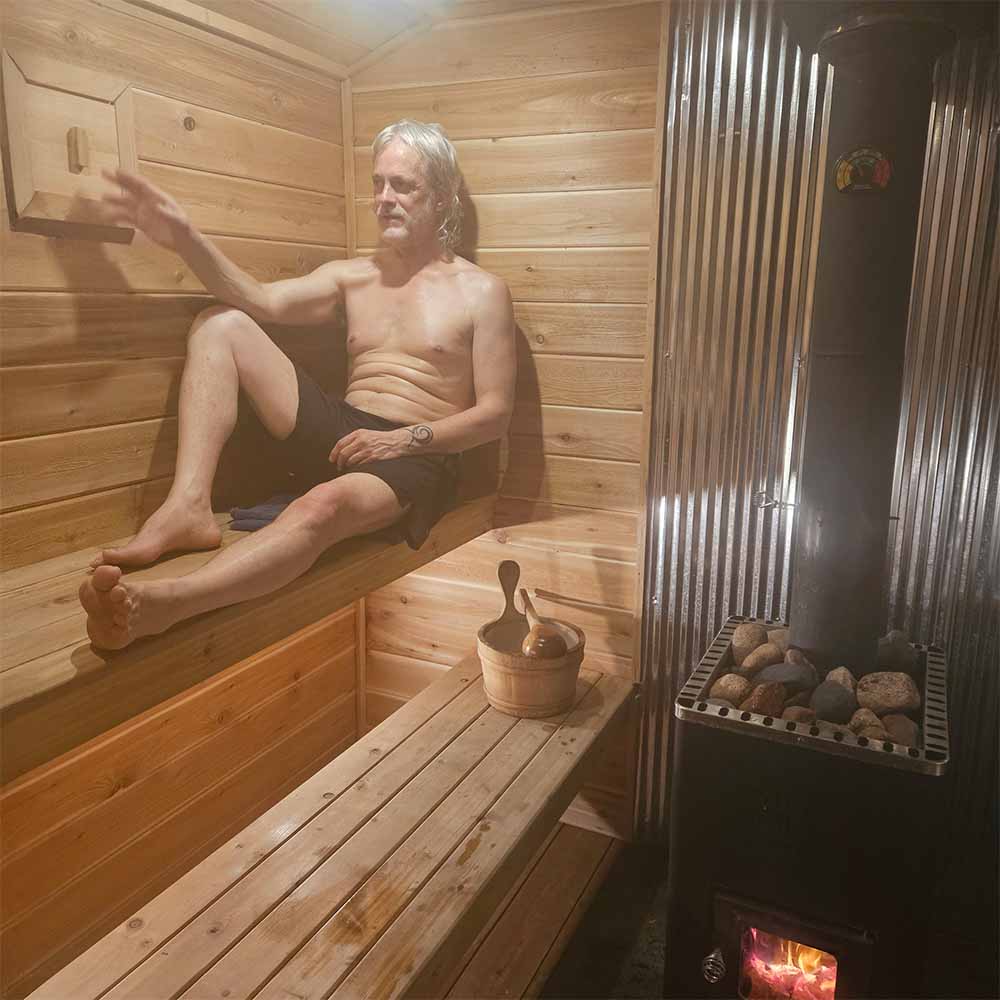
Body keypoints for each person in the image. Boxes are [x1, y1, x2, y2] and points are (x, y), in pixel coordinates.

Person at [79, 120, 516, 650]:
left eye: (403, 186)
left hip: (416, 454)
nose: (384, 199)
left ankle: (169, 603)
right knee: (222, 323)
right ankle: (188, 506)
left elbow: (495, 414)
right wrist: (185, 240)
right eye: (378, 184)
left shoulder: (482, 291)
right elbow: (260, 300)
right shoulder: (353, 276)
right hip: (343, 432)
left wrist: (404, 439)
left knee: (319, 507)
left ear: (443, 198)